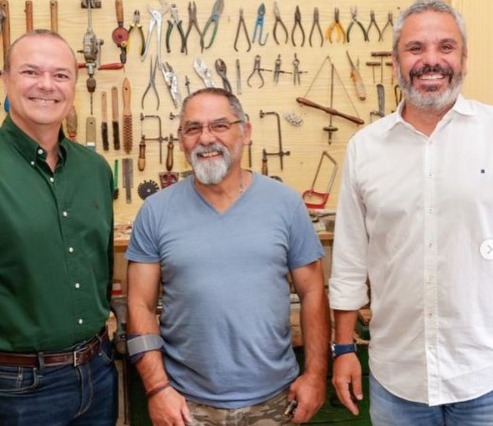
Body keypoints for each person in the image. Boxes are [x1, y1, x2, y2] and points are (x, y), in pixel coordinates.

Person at [329, 1, 493, 425]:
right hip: (399, 380)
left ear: (463, 59)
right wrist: (344, 349)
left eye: (446, 47)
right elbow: (348, 264)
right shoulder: (364, 149)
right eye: (415, 48)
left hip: (484, 375)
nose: (432, 60)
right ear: (396, 61)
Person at [126, 87, 330, 425]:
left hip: (276, 401)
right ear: (181, 140)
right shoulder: (156, 211)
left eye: (220, 125)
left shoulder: (286, 204)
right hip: (185, 407)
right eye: (193, 128)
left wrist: (314, 376)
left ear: (245, 132)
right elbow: (139, 305)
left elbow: (312, 293)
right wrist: (157, 388)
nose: (206, 138)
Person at [0, 30, 117, 425]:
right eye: (31, 71)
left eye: (61, 75)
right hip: (17, 387)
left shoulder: (95, 170)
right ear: (5, 80)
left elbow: (101, 266)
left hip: (98, 371)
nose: (46, 85)